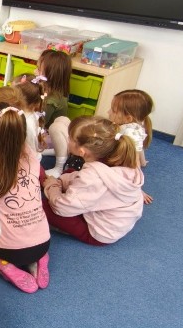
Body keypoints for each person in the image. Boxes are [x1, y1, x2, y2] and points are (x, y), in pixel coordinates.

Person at [0, 103, 51, 293]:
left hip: (8, 250)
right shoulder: (31, 156)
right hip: (43, 243)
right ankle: (39, 260)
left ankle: (3, 264)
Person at [42, 116, 144, 245]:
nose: (67, 140)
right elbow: (78, 176)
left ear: (82, 151)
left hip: (101, 233)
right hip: (117, 219)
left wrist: (52, 186)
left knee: (42, 207)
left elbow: (62, 207)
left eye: (70, 138)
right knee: (70, 173)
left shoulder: (91, 177)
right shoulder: (120, 158)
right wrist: (61, 181)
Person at [109, 88, 155, 205]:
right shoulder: (137, 123)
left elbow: (135, 165)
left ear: (128, 118)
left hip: (122, 163)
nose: (108, 112)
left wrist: (138, 190)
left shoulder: (130, 133)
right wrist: (143, 161)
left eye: (113, 111)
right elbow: (139, 147)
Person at [37, 49, 72, 177]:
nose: (35, 72)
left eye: (38, 70)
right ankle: (55, 151)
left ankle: (59, 166)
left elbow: (40, 123)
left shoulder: (51, 101)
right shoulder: (56, 91)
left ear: (50, 75)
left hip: (51, 135)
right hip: (54, 133)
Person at [12, 73, 47, 161]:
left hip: (29, 161)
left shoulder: (27, 123)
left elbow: (31, 152)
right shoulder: (29, 114)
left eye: (12, 93)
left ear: (18, 100)